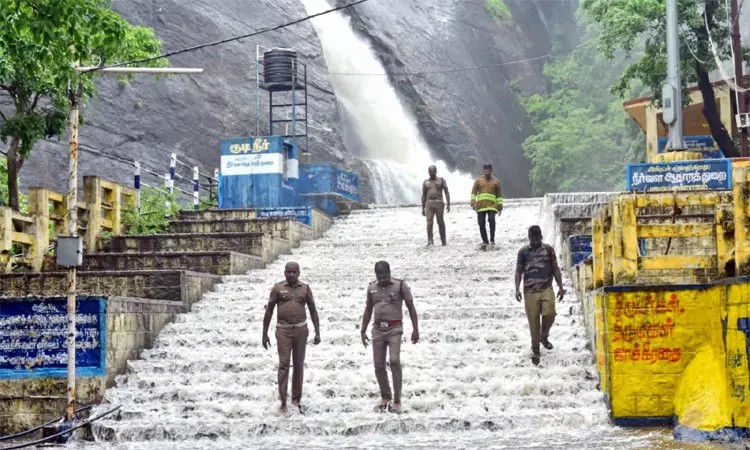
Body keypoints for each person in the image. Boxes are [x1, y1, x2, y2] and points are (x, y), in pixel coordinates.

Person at [360, 261, 419, 414]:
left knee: (394, 361)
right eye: (379, 277)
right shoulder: (372, 287)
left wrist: (415, 330)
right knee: (378, 365)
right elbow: (368, 310)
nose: (382, 279)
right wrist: (363, 330)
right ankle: (386, 396)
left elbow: (411, 307)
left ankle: (397, 400)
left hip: (395, 329)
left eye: (384, 276)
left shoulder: (400, 285)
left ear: (389, 272)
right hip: (378, 329)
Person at [262, 262, 321, 413]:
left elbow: (313, 310)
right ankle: (283, 402)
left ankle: (296, 399)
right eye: (288, 272)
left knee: (299, 365)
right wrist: (264, 334)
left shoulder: (305, 288)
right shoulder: (277, 288)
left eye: (294, 272)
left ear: (299, 272)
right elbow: (269, 311)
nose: (291, 275)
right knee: (283, 364)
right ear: (284, 273)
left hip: (301, 330)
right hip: (283, 330)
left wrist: (317, 332)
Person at [514, 226, 565, 366]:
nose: (535, 241)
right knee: (533, 321)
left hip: (546, 288)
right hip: (529, 291)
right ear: (529, 237)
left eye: (537, 238)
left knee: (550, 313)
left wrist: (560, 287)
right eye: (532, 238)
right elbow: (518, 271)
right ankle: (535, 349)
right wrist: (517, 289)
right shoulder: (523, 252)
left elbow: (555, 268)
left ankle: (544, 335)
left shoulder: (548, 249)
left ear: (541, 237)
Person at [470, 163, 503, 250]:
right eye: (486, 169)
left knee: (491, 220)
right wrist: (473, 203)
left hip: (492, 205)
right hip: (481, 206)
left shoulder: (496, 181)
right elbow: (473, 193)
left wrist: (500, 207)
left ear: (491, 170)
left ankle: (492, 240)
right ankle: (485, 241)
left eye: (489, 169)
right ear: (483, 170)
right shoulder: (478, 181)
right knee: (481, 223)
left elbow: (499, 195)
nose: (487, 171)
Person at [421, 165, 451, 246]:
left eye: (433, 171)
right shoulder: (425, 182)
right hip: (429, 204)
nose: (432, 173)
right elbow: (423, 195)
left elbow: (446, 192)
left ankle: (443, 240)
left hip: (439, 203)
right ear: (428, 172)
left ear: (436, 171)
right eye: (430, 172)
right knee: (429, 222)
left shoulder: (441, 180)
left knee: (440, 222)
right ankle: (430, 240)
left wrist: (448, 203)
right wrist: (423, 207)